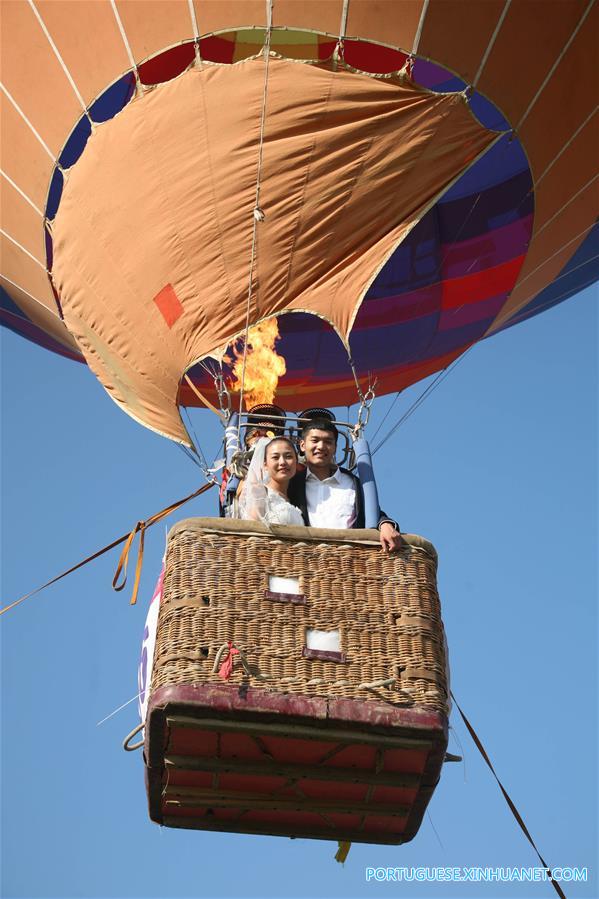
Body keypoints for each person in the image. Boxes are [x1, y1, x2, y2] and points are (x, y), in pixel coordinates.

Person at [288, 416, 403, 552]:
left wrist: (385, 524)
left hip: (349, 561)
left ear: (335, 447)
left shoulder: (353, 483)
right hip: (306, 560)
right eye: (315, 440)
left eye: (328, 442)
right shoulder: (292, 484)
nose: (321, 446)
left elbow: (372, 512)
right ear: (302, 445)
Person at [238, 436, 304, 526]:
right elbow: (252, 531)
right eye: (275, 457)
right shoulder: (259, 494)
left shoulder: (297, 498)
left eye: (288, 456)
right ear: (265, 464)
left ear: (296, 462)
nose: (282, 462)